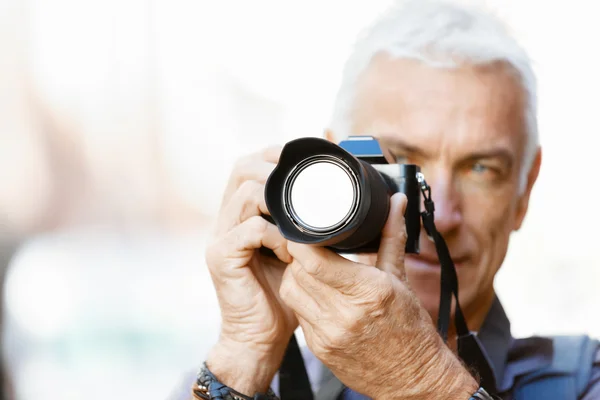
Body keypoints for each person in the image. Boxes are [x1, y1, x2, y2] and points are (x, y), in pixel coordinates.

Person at [174, 0, 600, 399]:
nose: (441, 213)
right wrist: (244, 357)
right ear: (334, 166)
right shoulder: (233, 376)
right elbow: (237, 366)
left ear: (524, 191)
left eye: (480, 169)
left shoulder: (585, 379)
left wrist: (417, 377)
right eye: (401, 164)